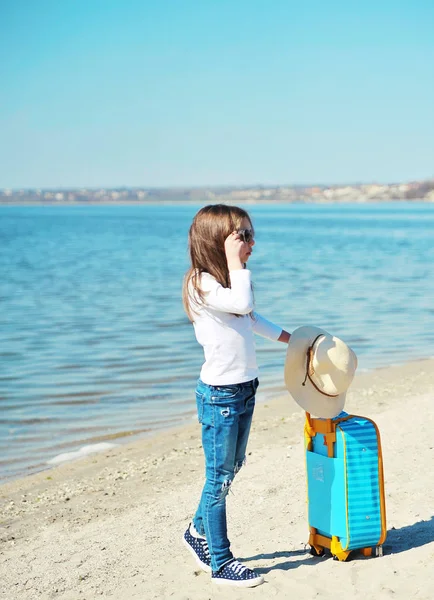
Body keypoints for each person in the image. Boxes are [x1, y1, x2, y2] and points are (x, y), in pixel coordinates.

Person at [182, 204, 291, 587]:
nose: (250, 243)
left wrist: (293, 341)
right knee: (219, 479)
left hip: (245, 390)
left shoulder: (227, 283)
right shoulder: (202, 284)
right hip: (220, 397)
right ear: (215, 241)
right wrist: (235, 263)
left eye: (249, 235)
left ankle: (196, 532)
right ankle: (221, 561)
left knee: (232, 468)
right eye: (241, 236)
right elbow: (243, 304)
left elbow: (251, 317)